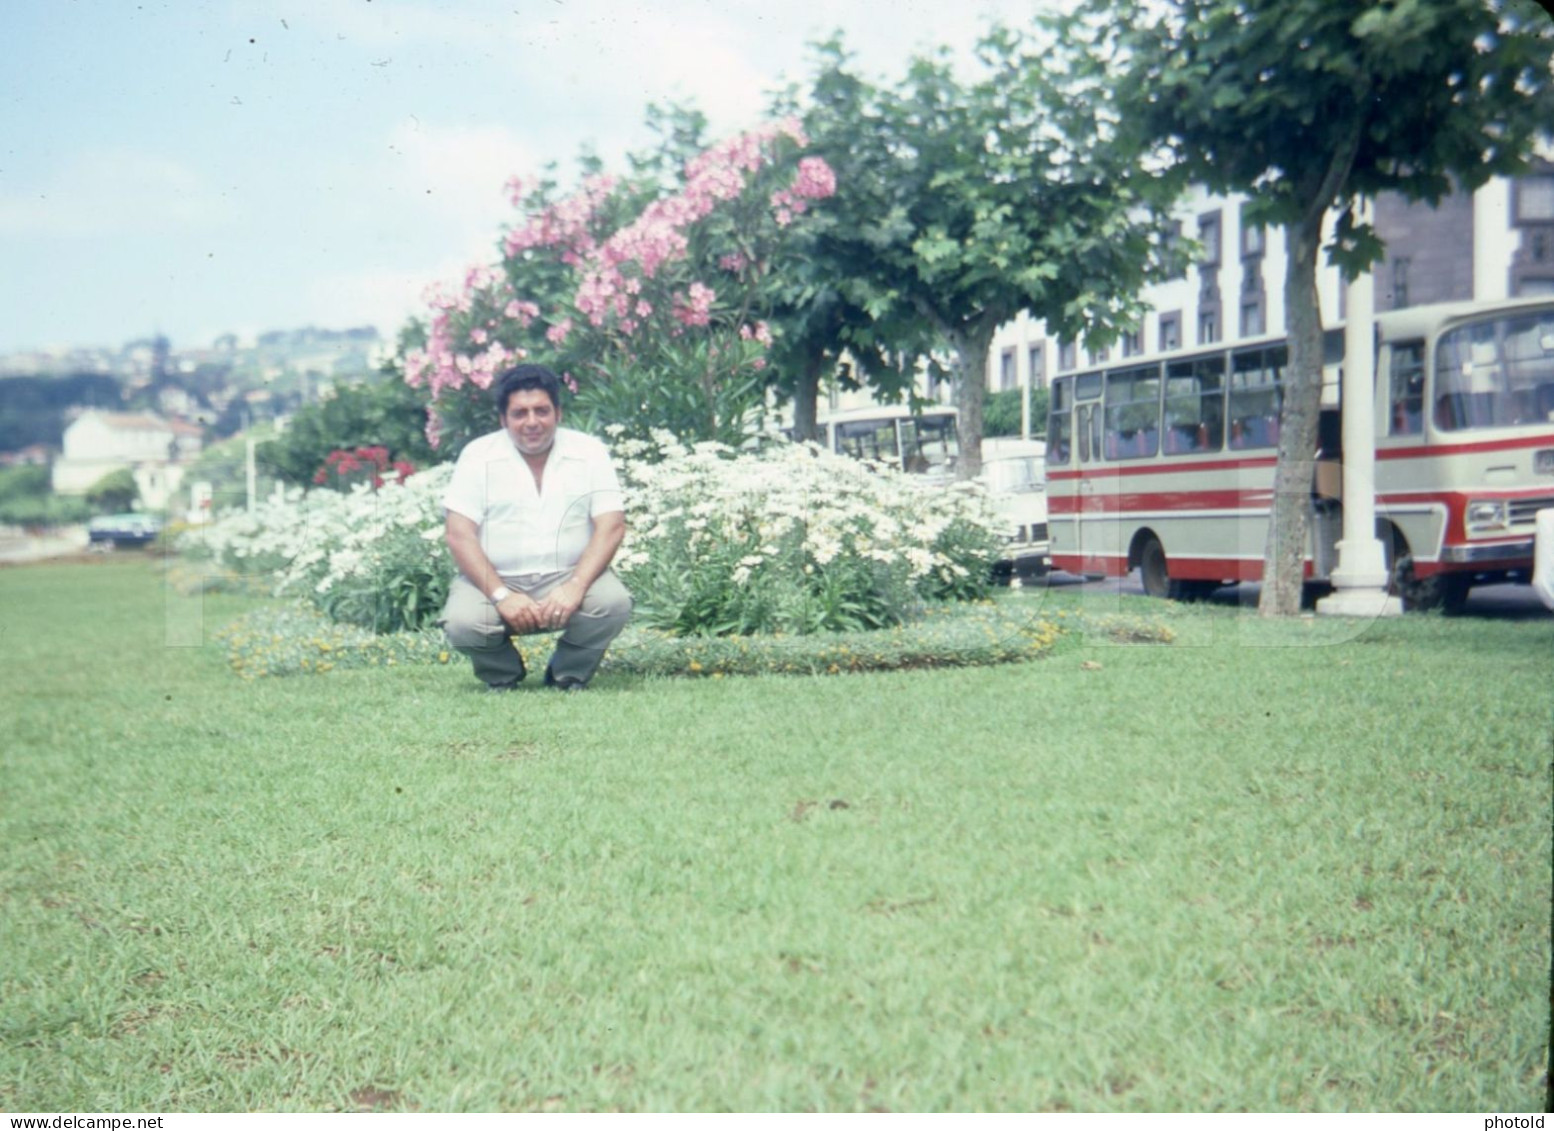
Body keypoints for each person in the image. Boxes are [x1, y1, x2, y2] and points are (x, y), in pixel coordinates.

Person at [438, 364, 632, 691]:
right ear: (503, 419)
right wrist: (501, 595)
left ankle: (567, 674)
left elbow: (611, 525)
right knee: (464, 623)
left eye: (541, 411)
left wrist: (575, 586)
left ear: (558, 412)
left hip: (568, 575)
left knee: (613, 603)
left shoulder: (589, 452)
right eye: (519, 413)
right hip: (494, 580)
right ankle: (502, 675)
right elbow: (459, 534)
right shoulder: (478, 456)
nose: (532, 422)